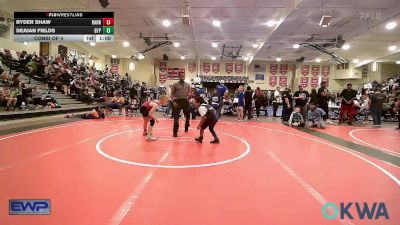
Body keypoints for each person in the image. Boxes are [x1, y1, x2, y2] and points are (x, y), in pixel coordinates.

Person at [171, 72, 191, 137]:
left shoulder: (187, 85)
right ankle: (175, 132)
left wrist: (190, 97)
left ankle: (186, 126)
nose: (182, 77)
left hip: (185, 101)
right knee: (176, 118)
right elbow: (172, 94)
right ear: (179, 76)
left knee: (188, 116)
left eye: (183, 76)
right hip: (177, 101)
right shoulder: (175, 84)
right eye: (181, 76)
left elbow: (189, 93)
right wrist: (173, 101)